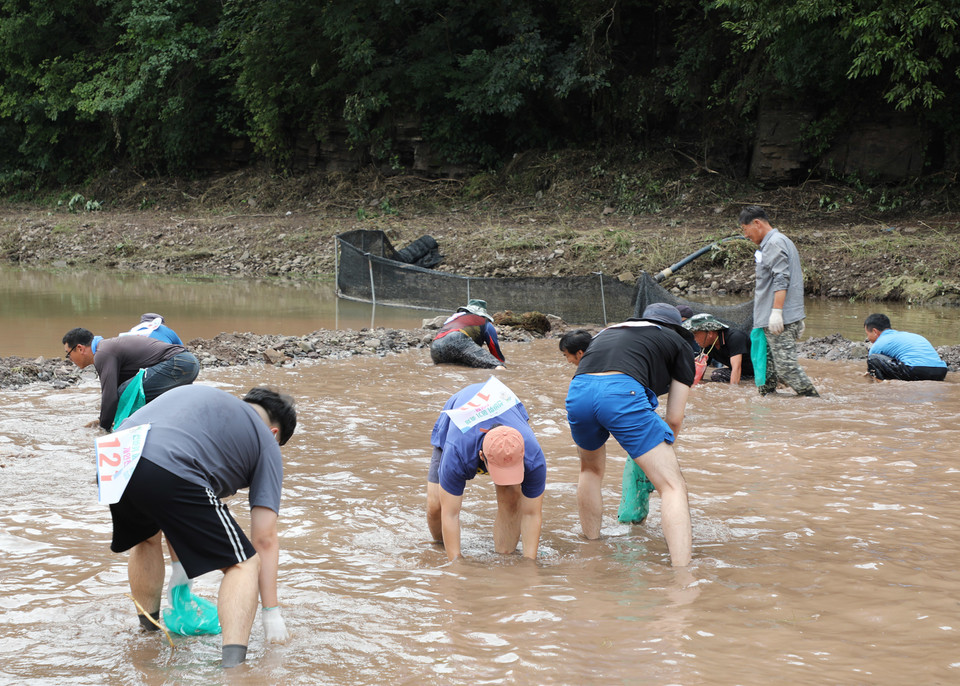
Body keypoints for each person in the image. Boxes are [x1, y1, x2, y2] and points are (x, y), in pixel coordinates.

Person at [108, 384, 296, 668]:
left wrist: (180, 571)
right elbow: (265, 538)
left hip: (115, 455)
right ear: (275, 433)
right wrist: (271, 612)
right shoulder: (266, 441)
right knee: (243, 563)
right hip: (168, 464)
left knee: (146, 538)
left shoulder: (208, 406)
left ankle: (147, 638)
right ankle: (235, 671)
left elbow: (174, 507)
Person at [564, 302, 696, 567]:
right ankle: (682, 574)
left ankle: (591, 549)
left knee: (589, 470)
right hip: (622, 391)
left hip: (578, 391)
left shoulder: (608, 331)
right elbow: (674, 419)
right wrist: (663, 451)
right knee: (672, 486)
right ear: (675, 327)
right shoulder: (678, 343)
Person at [427, 380, 547, 561]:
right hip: (459, 419)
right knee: (436, 506)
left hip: (502, 400)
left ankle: (505, 557)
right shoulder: (457, 451)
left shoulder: (533, 456)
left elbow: (531, 513)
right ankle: (439, 547)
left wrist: (529, 565)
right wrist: (455, 564)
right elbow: (450, 514)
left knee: (511, 496)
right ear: (482, 457)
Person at [740, 206, 819, 397]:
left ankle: (817, 403)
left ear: (757, 223)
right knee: (767, 372)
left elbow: (781, 279)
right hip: (770, 318)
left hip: (777, 319)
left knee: (786, 368)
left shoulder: (774, 243)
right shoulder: (774, 243)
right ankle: (770, 409)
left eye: (745, 229)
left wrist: (778, 312)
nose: (745, 236)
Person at [63, 327, 200, 430]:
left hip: (178, 363)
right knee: (131, 391)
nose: (69, 359)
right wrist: (103, 419)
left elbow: (110, 396)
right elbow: (116, 392)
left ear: (80, 348)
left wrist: (103, 429)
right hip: (188, 364)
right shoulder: (107, 348)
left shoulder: (103, 353)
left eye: (68, 354)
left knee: (125, 392)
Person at [864, 313, 947, 381]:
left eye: (868, 334)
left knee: (872, 359)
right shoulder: (908, 335)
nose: (868, 338)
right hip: (941, 372)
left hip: (917, 370)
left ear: (875, 331)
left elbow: (873, 366)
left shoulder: (879, 343)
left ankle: (881, 385)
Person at [430, 299, 506, 369]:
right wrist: (499, 362)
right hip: (457, 340)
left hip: (435, 347)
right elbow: (494, 347)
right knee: (498, 367)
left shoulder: (454, 318)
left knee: (454, 368)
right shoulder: (485, 322)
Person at [683, 313, 754, 384]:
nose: (694, 339)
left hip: (756, 373)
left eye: (695, 334)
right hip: (741, 373)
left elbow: (736, 368)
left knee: (717, 374)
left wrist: (732, 392)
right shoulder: (707, 344)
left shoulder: (735, 337)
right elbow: (700, 371)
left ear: (710, 334)